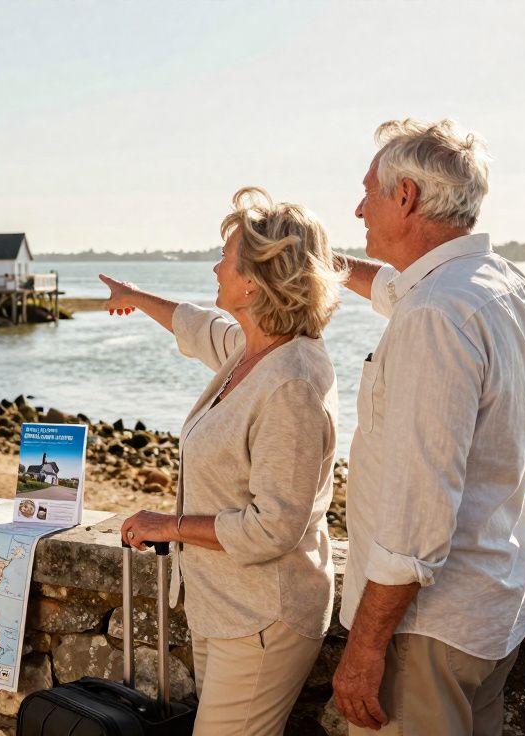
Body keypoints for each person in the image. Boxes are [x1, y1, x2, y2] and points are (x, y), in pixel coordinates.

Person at [331, 119, 525, 735]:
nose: (358, 210)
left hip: (426, 631)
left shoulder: (434, 315)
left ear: (405, 196)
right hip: (490, 609)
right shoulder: (499, 283)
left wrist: (366, 646)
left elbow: (418, 512)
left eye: (368, 193)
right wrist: (321, 260)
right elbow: (395, 290)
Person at [105, 186, 345, 736]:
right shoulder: (252, 349)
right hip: (223, 608)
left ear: (254, 279)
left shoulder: (292, 382)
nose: (214, 267)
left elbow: (273, 527)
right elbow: (196, 327)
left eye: (224, 256)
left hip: (264, 616)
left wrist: (169, 526)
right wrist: (135, 297)